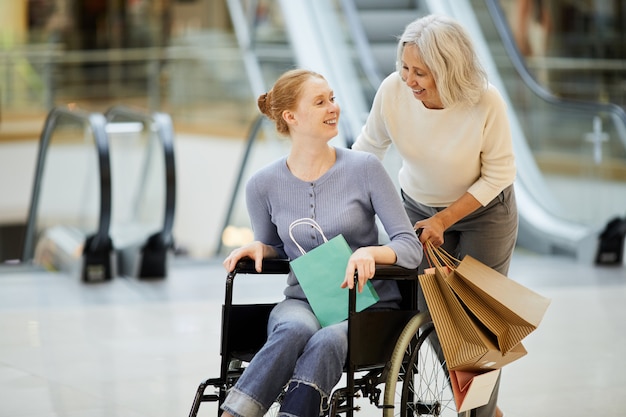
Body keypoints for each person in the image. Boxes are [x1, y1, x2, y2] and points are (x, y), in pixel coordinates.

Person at [220, 69, 422, 417]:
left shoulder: (365, 169)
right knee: (295, 329)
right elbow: (281, 250)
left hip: (365, 307)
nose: (333, 108)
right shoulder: (262, 185)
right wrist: (260, 248)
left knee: (328, 339)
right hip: (303, 301)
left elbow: (410, 246)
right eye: (320, 102)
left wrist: (371, 252)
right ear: (291, 117)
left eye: (332, 98)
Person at [352, 14, 518, 417]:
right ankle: (483, 409)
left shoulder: (484, 100)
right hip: (418, 208)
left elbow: (499, 173)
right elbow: (367, 151)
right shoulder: (393, 92)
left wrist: (445, 220)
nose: (409, 79)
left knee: (478, 324)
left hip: (485, 213)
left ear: (448, 69)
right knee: (439, 319)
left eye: (420, 72)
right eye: (405, 67)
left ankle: (477, 411)